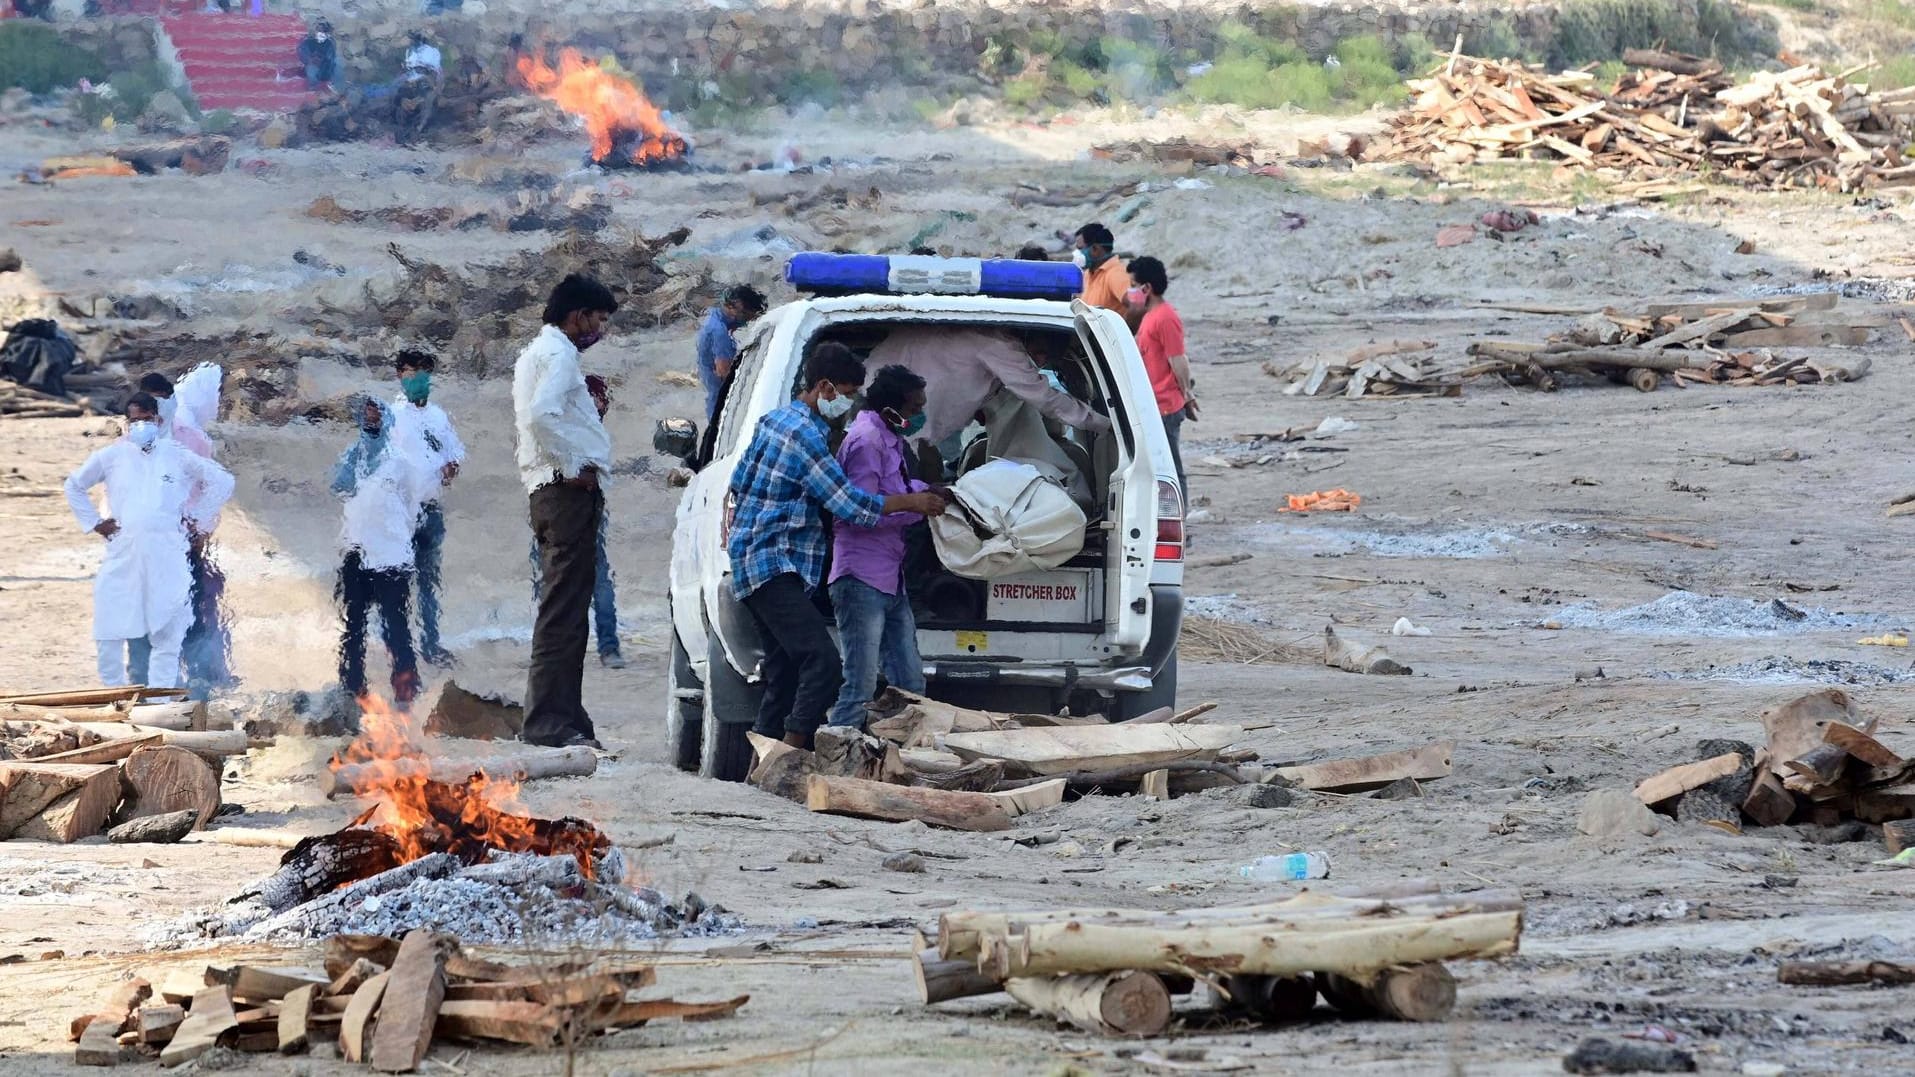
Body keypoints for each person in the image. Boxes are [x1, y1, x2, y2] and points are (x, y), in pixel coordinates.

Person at [727, 343, 947, 749]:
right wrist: (914, 503)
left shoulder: (774, 421)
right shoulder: (807, 436)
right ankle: (793, 751)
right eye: (845, 394)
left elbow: (739, 482)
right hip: (773, 562)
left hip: (757, 559)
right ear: (824, 388)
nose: (847, 404)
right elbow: (852, 505)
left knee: (785, 671)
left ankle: (762, 765)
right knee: (823, 663)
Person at [64, 394, 234, 690]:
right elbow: (74, 485)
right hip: (127, 553)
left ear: (158, 420)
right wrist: (96, 523)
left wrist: (197, 518)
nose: (141, 425)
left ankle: (165, 697)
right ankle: (138, 693)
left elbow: (222, 481)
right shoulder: (112, 456)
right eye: (135, 420)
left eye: (146, 419)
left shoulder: (176, 454)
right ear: (126, 424)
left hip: (169, 553)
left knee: (167, 625)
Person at [514, 274, 618, 749]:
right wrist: (572, 463)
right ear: (577, 316)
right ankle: (547, 723)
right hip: (564, 492)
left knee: (571, 610)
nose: (598, 327)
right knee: (562, 612)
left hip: (557, 492)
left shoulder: (542, 353)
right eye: (596, 318)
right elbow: (540, 416)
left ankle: (567, 716)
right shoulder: (557, 355)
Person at [827, 365, 935, 730]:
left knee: (910, 685)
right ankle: (836, 756)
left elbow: (895, 487)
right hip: (861, 576)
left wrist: (928, 491)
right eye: (913, 409)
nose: (917, 416)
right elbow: (860, 508)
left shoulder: (889, 440)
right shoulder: (866, 442)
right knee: (860, 685)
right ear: (892, 408)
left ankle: (899, 760)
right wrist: (914, 504)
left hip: (889, 577)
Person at [332, 397, 432, 706]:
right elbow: (340, 487)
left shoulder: (400, 461)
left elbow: (413, 505)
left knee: (395, 624)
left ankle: (405, 687)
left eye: (377, 412)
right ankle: (352, 688)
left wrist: (394, 532)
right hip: (356, 552)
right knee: (354, 625)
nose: (372, 418)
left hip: (391, 557)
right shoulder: (352, 456)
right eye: (367, 412)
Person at [138, 364, 231, 695]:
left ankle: (203, 680)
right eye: (150, 401)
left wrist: (201, 524)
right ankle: (157, 685)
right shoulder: (131, 440)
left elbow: (213, 484)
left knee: (192, 612)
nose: (155, 408)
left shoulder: (190, 440)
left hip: (183, 542)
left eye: (161, 400)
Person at [865, 325, 1111, 449]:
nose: (1040, 362)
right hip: (898, 419)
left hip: (880, 395)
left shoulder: (980, 336)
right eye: (1040, 352)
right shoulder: (1000, 346)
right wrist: (1105, 425)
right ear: (1028, 337)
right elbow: (1045, 399)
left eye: (1047, 358)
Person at [530, 374, 623, 669]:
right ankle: (603, 648)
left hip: (567, 510)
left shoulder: (567, 427)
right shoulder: (582, 427)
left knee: (563, 582)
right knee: (588, 579)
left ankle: (572, 648)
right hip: (568, 509)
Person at [388, 348, 465, 668]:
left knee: (428, 581)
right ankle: (397, 648)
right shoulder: (391, 415)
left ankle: (431, 645)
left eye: (421, 372)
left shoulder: (438, 416)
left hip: (431, 509)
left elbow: (455, 452)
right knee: (396, 582)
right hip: (400, 512)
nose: (416, 378)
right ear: (399, 375)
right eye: (409, 372)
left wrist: (451, 467)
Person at [1126, 255, 1194, 499]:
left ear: (1147, 288)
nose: (1130, 290)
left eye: (1133, 285)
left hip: (1164, 406)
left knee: (1171, 471)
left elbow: (1178, 359)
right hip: (1153, 405)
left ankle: (1180, 524)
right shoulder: (1150, 316)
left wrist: (1186, 394)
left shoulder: (1165, 317)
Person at [695, 284, 766, 422]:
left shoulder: (713, 316)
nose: (746, 322)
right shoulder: (719, 333)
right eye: (745, 315)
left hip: (713, 394)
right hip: (721, 401)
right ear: (731, 307)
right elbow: (723, 371)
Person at [1072, 222, 1129, 317]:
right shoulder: (1088, 274)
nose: (1076, 254)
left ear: (1095, 249)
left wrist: (1119, 331)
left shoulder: (1116, 274)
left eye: (1080, 249)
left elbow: (1138, 307)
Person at [298, 20, 339, 90]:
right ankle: (313, 87)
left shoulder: (330, 43)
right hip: (311, 64)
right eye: (319, 30)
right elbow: (302, 52)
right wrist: (310, 60)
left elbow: (331, 57)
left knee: (337, 64)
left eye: (324, 31)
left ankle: (332, 85)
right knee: (311, 69)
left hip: (326, 67)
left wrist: (323, 60)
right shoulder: (308, 41)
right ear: (316, 31)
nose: (322, 33)